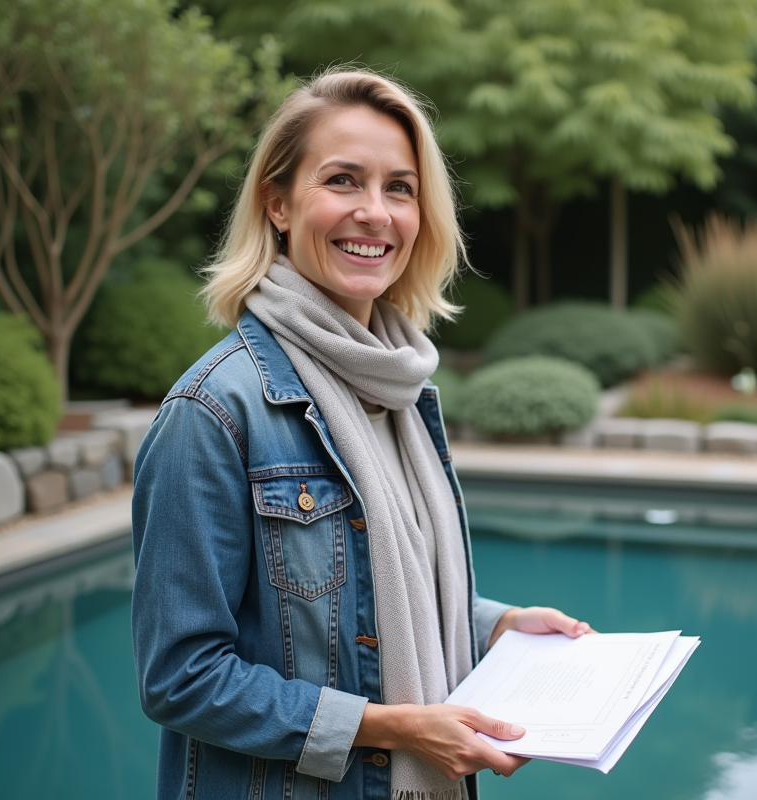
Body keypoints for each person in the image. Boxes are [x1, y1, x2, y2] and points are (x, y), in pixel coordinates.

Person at [130, 69, 591, 800]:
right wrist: (391, 729)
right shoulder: (215, 411)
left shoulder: (401, 393)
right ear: (277, 203)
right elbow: (182, 678)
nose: (375, 212)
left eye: (399, 188)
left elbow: (365, 591)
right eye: (343, 181)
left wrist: (495, 626)